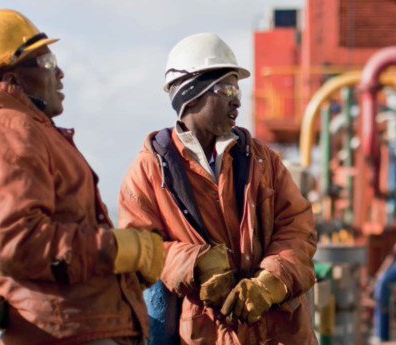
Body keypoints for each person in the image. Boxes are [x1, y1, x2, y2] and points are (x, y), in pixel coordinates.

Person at [0, 9, 165, 345]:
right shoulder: (4, 129)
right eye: (48, 63)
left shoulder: (28, 131)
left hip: (83, 328)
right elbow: (18, 242)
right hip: (68, 332)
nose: (60, 73)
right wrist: (118, 249)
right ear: (12, 76)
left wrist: (126, 271)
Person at [118, 32, 318, 344]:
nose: (237, 99)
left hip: (278, 333)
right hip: (207, 332)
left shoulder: (263, 160)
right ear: (191, 95)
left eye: (237, 88)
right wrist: (195, 264)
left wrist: (271, 281)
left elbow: (298, 226)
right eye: (226, 89)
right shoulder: (149, 171)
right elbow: (140, 248)